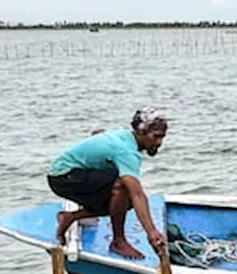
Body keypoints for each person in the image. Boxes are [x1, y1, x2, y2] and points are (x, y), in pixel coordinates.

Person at [47, 108, 170, 260]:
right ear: (141, 133)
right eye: (155, 137)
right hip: (63, 177)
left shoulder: (125, 137)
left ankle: (72, 216)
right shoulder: (126, 152)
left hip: (75, 174)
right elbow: (137, 194)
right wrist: (151, 232)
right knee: (124, 190)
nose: (159, 143)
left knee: (124, 201)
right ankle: (118, 241)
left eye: (162, 137)